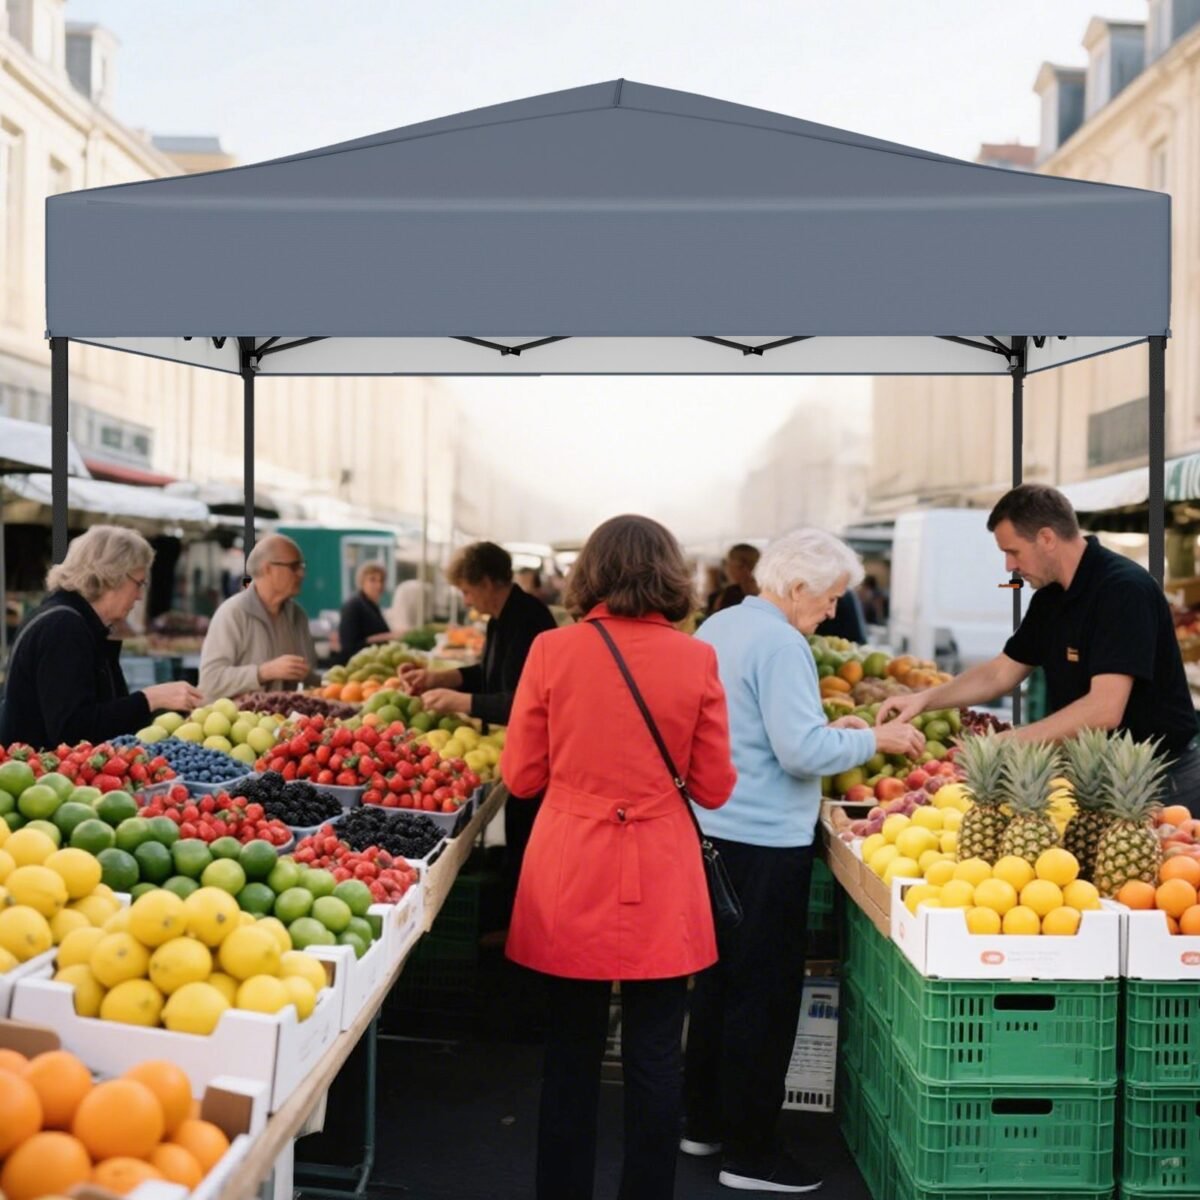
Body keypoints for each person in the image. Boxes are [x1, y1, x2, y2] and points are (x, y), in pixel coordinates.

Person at [683, 528, 925, 1193]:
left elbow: (761, 732)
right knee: (763, 999)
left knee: (717, 988)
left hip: (713, 832)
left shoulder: (720, 627)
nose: (833, 611)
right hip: (765, 843)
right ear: (795, 589)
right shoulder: (783, 643)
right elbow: (798, 754)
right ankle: (751, 1156)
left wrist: (829, 732)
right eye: (829, 598)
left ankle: (702, 1124)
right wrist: (876, 738)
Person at [503, 514, 737, 1200]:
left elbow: (521, 777)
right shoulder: (696, 658)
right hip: (661, 874)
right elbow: (715, 788)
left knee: (570, 1056)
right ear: (670, 574)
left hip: (570, 869)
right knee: (656, 1057)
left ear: (591, 573)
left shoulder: (551, 649)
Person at [877, 484, 1200, 813]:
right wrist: (924, 700)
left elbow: (1104, 709)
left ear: (1046, 538)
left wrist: (1005, 743)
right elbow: (1000, 673)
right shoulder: (1050, 597)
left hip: (1162, 782)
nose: (1008, 566)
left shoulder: (1123, 590)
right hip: (1097, 781)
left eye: (1013, 551)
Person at [399, 541, 558, 887]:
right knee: (517, 835)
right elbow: (487, 674)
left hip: (537, 756)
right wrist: (438, 678)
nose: (466, 601)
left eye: (467, 591)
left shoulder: (529, 621)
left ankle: (513, 908)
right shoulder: (501, 619)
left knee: (525, 839)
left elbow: (525, 703)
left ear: (486, 582)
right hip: (516, 748)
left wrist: (461, 702)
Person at [0, 525, 203, 747]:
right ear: (112, 575)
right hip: (42, 768)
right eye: (139, 583)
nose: (139, 596)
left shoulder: (69, 620)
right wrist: (150, 699)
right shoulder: (63, 627)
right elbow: (73, 732)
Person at [198, 534, 320, 701]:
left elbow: (310, 678)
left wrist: (317, 679)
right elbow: (209, 681)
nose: (301, 573)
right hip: (237, 717)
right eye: (294, 566)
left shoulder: (298, 616)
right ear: (267, 569)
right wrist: (263, 672)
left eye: (302, 566)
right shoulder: (233, 613)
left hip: (285, 717)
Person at [337, 562, 393, 662]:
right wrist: (385, 637)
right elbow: (349, 646)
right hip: (356, 665)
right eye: (372, 580)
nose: (379, 585)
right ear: (361, 582)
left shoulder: (373, 607)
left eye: (381, 580)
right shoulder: (353, 606)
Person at [710, 543, 760, 613]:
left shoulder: (730, 595)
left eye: (728, 564)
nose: (727, 570)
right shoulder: (766, 592)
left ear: (742, 566)